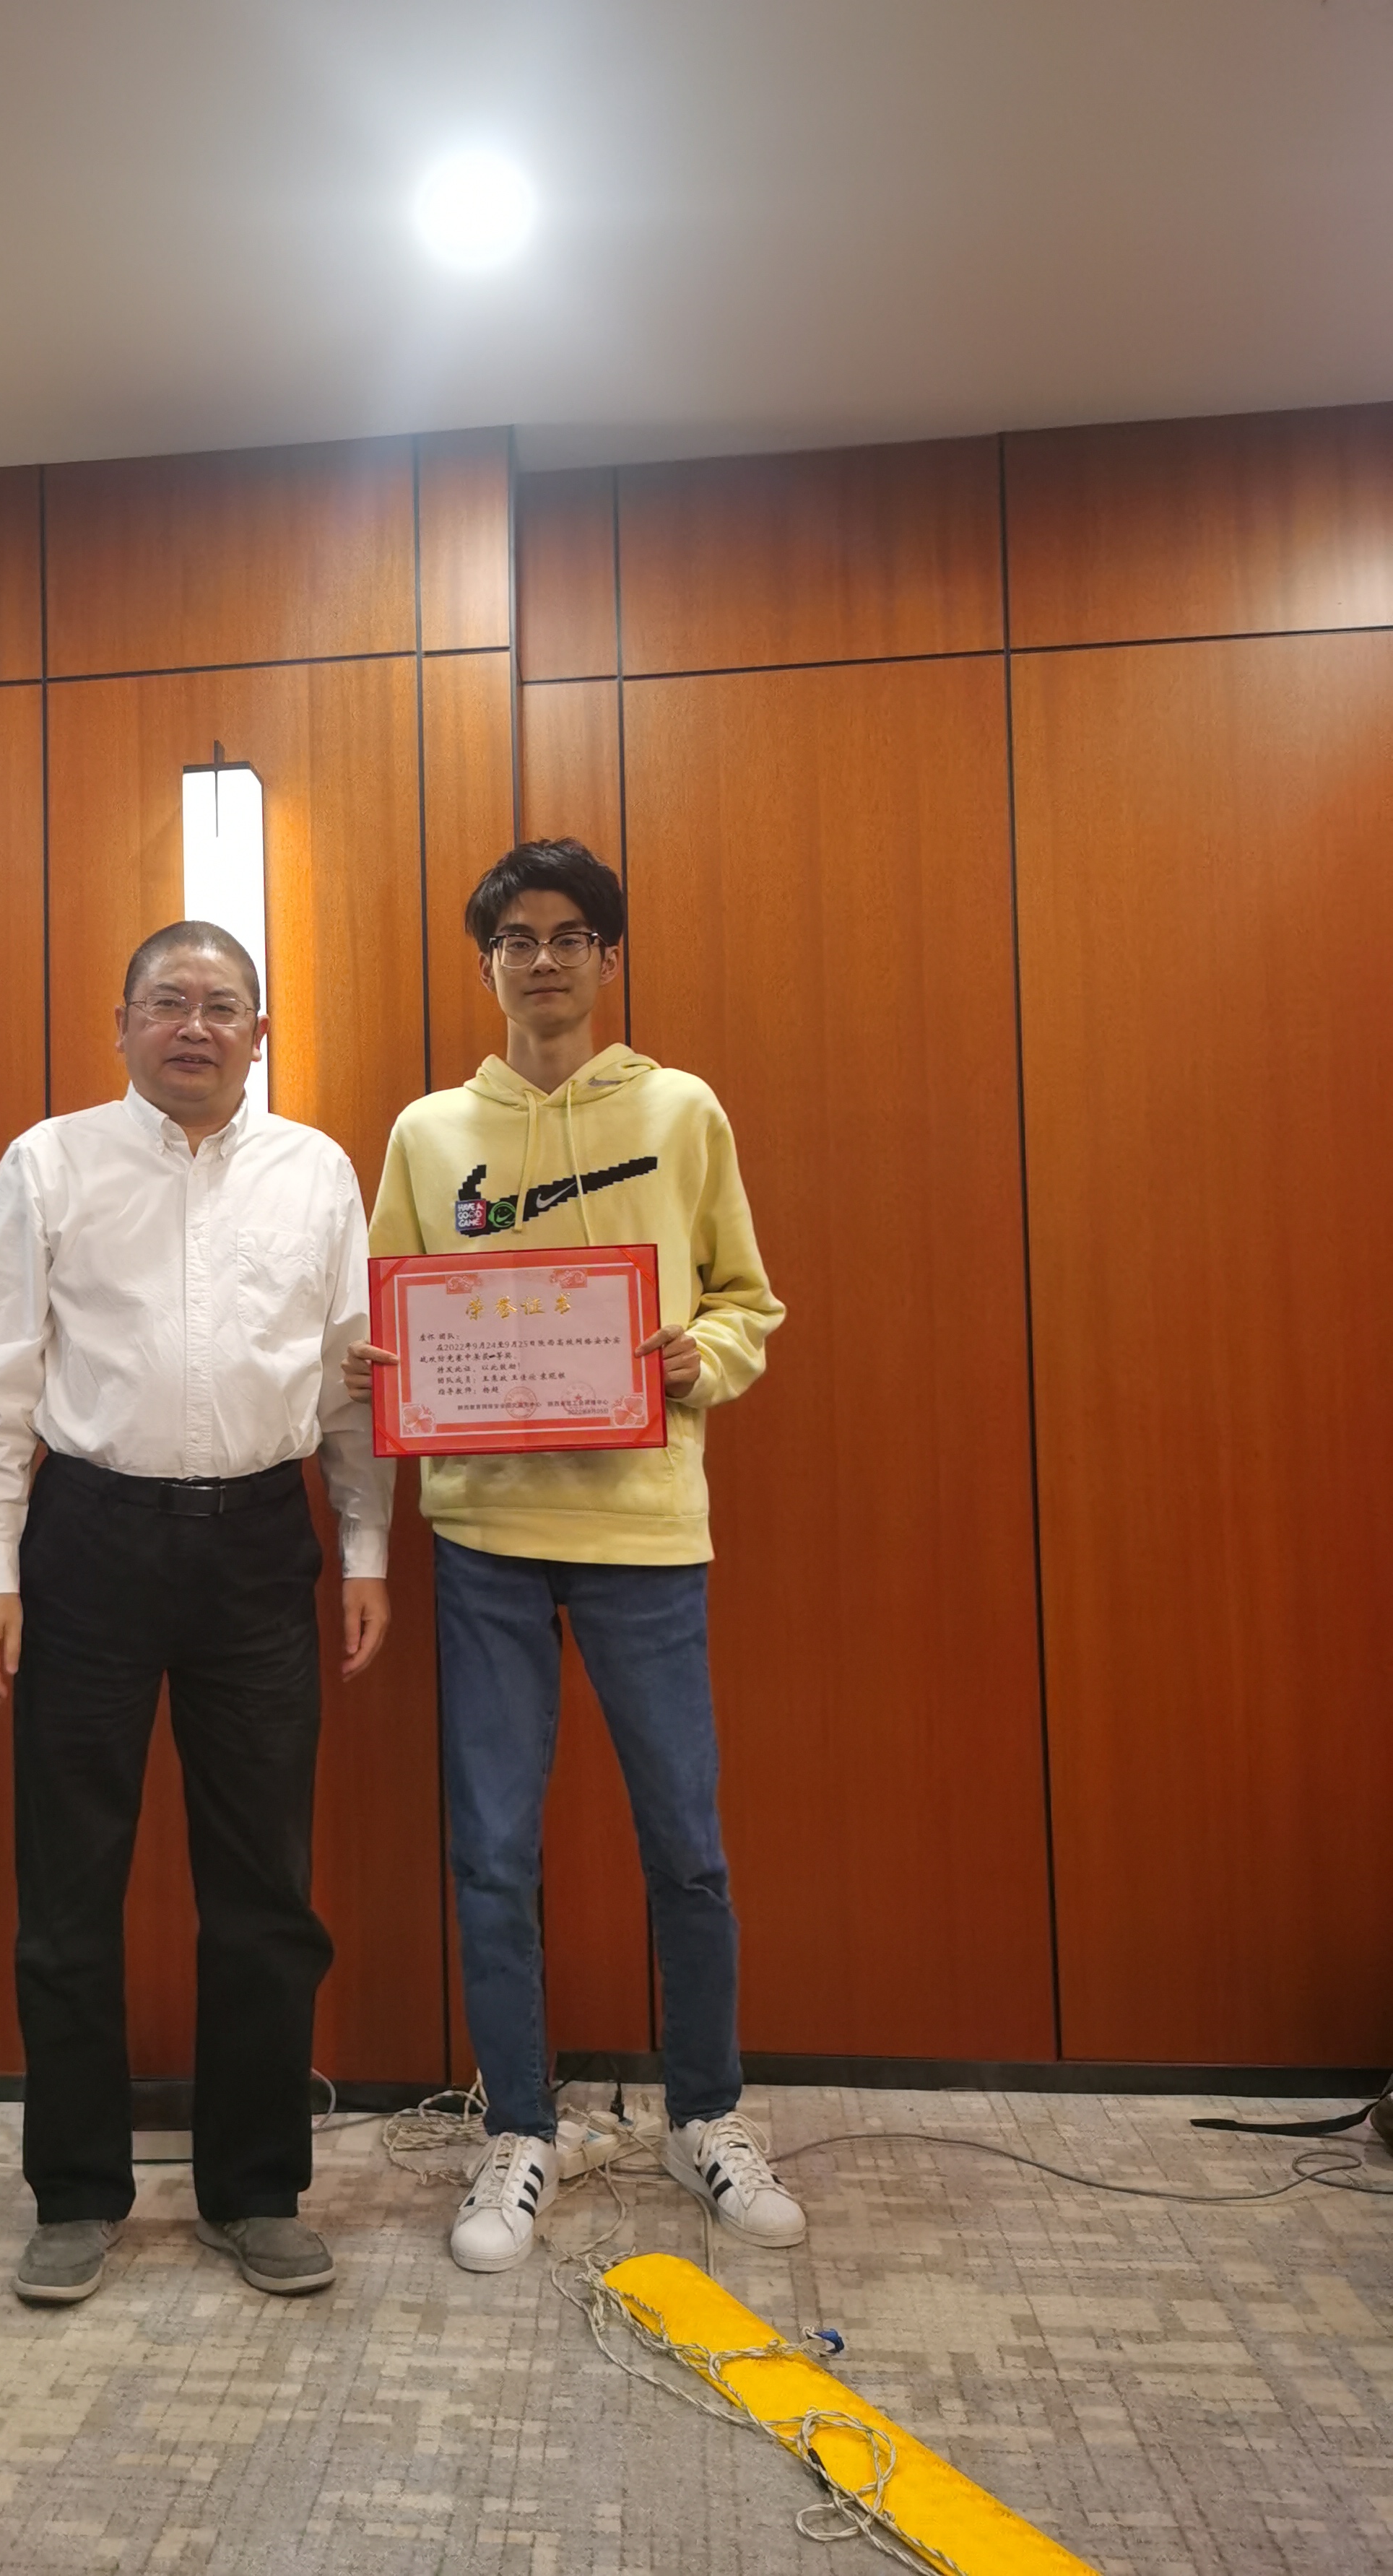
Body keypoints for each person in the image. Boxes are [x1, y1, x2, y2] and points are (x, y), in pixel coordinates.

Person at [349, 839, 802, 2273]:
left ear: (607, 959)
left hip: (643, 1529)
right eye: (516, 940)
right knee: (492, 1851)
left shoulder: (680, 1110)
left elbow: (747, 1301)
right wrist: (380, 1367)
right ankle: (519, 2128)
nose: (541, 961)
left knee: (688, 1847)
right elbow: (390, 1315)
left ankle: (707, 2116)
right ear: (487, 964)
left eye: (568, 937)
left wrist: (697, 1359)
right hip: (483, 1533)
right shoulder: (430, 1134)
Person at [0, 921, 392, 2307]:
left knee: (265, 1890)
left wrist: (366, 1547)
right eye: (167, 1002)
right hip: (87, 1542)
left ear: (260, 1033)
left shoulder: (317, 1170)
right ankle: (75, 2192)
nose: (194, 1026)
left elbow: (352, 1381)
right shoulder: (50, 1162)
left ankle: (255, 2190)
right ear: (123, 1023)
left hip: (260, 1543)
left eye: (222, 1005)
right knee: (67, 1887)